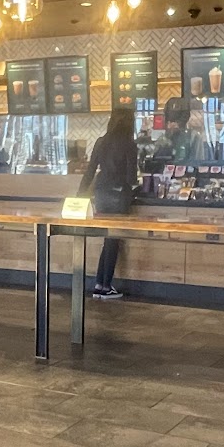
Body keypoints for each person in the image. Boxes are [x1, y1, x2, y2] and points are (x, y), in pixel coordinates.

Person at [78, 105, 139, 300]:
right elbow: (131, 177)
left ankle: (100, 283)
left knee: (108, 238)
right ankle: (105, 287)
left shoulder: (101, 141)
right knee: (113, 239)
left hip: (101, 193)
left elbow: (90, 170)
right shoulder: (130, 144)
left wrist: (80, 194)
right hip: (119, 194)